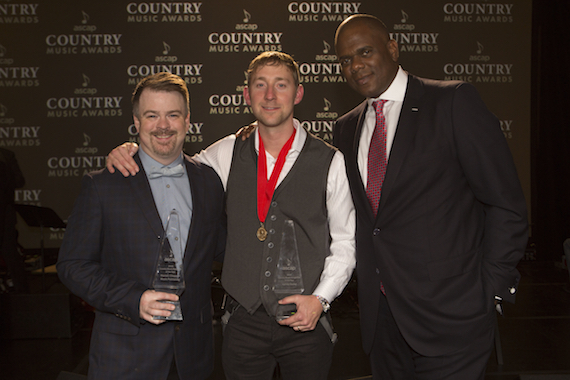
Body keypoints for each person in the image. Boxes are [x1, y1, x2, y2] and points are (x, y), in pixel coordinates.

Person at [107, 51, 356, 380]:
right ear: (246, 95)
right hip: (242, 325)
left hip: (306, 323)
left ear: (298, 93)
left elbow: (345, 241)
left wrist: (320, 300)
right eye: (260, 85)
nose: (270, 95)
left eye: (280, 85)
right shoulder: (225, 151)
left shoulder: (331, 161)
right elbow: (172, 170)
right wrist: (133, 149)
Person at [332, 14, 528, 379]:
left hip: (454, 315)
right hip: (383, 323)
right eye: (345, 59)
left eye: (364, 52)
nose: (355, 65)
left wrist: (492, 290)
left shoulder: (452, 101)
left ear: (393, 48)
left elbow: (506, 203)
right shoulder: (346, 127)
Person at [56, 72, 226, 380]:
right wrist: (134, 299)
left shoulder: (210, 182)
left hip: (193, 356)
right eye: (152, 115)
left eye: (172, 115)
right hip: (124, 356)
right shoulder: (103, 186)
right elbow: (72, 265)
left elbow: (226, 249)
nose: (163, 125)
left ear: (187, 121)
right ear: (136, 122)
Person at [0, 148, 28, 293]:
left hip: (5, 213)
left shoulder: (6, 155)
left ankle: (23, 297)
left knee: (10, 253)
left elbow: (19, 180)